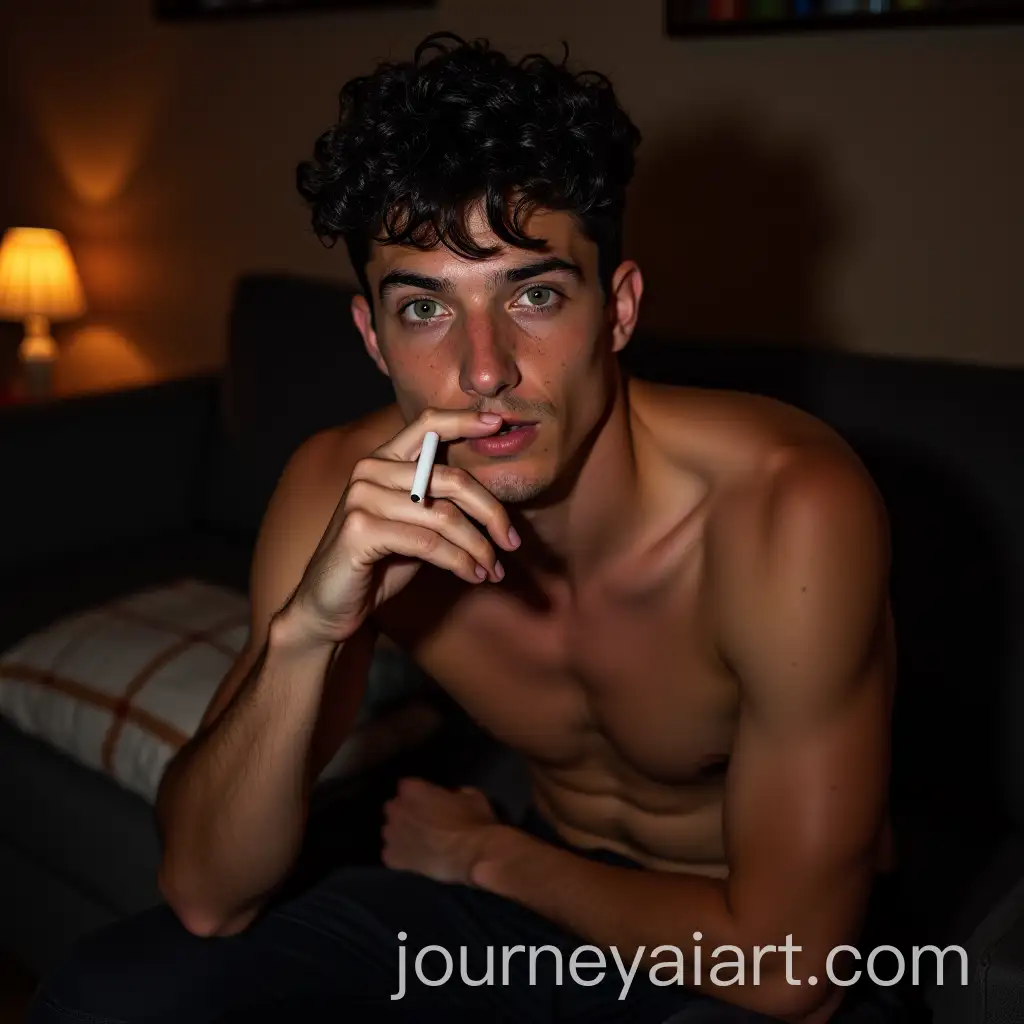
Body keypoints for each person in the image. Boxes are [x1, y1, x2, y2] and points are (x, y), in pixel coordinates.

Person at [29, 31, 900, 1024]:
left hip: (783, 951)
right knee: (115, 995)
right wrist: (307, 633)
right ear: (371, 336)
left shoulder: (785, 508)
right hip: (538, 910)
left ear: (616, 311)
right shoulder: (338, 490)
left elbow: (790, 968)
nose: (485, 370)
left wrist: (489, 854)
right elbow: (204, 890)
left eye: (533, 294)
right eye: (425, 309)